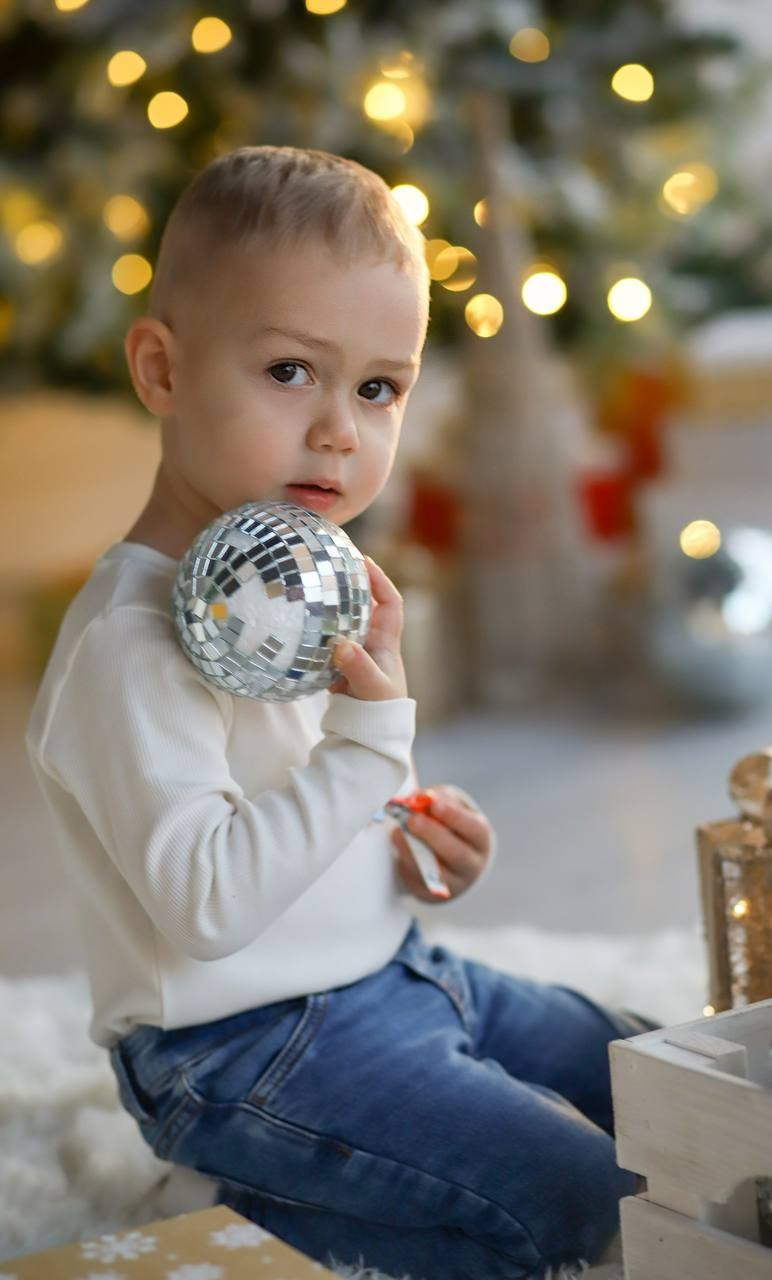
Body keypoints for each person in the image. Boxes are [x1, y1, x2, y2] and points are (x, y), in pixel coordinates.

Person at [27, 145, 642, 1280]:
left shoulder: (286, 574)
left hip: (396, 971)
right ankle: (240, 1209)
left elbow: (304, 796)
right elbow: (210, 901)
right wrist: (369, 750)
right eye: (289, 371)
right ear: (162, 368)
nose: (339, 430)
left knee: (648, 1077)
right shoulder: (131, 644)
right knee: (570, 1198)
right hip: (243, 1049)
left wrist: (405, 829)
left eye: (377, 387)